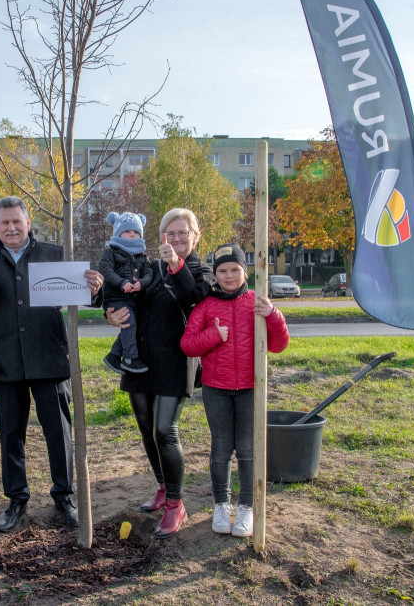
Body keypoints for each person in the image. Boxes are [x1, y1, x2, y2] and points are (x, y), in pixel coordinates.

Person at [0, 195, 104, 532]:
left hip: (49, 356)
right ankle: (17, 499)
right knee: (10, 434)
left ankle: (64, 496)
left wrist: (95, 290)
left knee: (58, 431)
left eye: (17, 222)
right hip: (6, 359)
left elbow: (83, 295)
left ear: (28, 223)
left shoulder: (56, 255)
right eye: (4, 223)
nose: (11, 228)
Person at [105, 207, 212, 538]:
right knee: (147, 428)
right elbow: (126, 296)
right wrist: (110, 313)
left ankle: (176, 504)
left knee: (166, 430)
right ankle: (164, 486)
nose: (177, 238)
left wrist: (176, 265)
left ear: (195, 236)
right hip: (140, 360)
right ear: (161, 236)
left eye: (184, 233)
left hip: (175, 363)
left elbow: (193, 295)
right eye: (171, 233)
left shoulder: (200, 269)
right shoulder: (149, 266)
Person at [180, 243, 290, 537]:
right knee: (221, 449)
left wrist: (273, 315)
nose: (229, 276)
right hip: (216, 388)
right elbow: (188, 345)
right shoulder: (206, 306)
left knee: (248, 450)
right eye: (222, 271)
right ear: (215, 274)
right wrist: (214, 335)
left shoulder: (257, 303)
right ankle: (221, 505)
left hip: (251, 389)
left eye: (235, 270)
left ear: (245, 271)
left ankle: (246, 507)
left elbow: (278, 345)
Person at [98, 211, 154, 374]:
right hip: (115, 298)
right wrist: (121, 282)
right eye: (127, 231)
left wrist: (141, 284)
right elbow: (105, 270)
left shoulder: (142, 256)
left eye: (136, 232)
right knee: (129, 322)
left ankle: (114, 356)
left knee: (131, 325)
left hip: (132, 299)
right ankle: (130, 359)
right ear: (118, 233)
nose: (132, 235)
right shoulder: (111, 252)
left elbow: (149, 273)